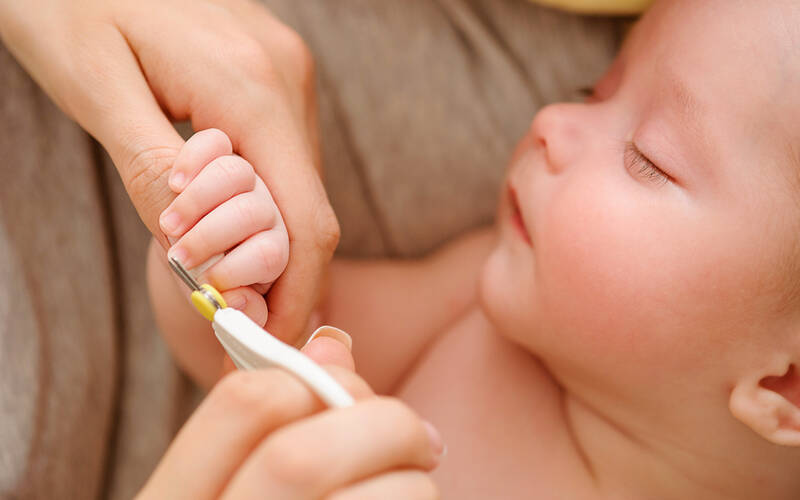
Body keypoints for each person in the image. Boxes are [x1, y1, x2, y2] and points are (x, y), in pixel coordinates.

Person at [150, 0, 800, 497]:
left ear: (787, 382)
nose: (551, 121)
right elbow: (275, 345)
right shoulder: (486, 306)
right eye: (594, 93)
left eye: (648, 158)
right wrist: (231, 257)